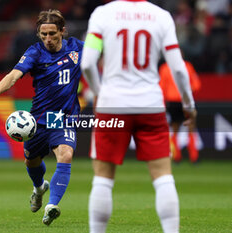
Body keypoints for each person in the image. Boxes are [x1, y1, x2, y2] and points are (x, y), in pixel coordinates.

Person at [80, 1, 197, 233]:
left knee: (103, 178)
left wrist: (101, 94)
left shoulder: (102, 15)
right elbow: (179, 69)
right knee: (163, 176)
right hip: (150, 104)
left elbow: (87, 64)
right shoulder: (161, 16)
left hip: (111, 105)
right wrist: (188, 104)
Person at [0, 9, 83, 226]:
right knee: (31, 161)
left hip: (63, 117)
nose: (48, 38)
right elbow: (14, 75)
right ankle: (39, 189)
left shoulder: (77, 48)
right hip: (38, 119)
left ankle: (52, 206)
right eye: (43, 34)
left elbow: (101, 56)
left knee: (65, 154)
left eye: (52, 34)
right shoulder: (35, 52)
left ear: (62, 31)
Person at [159, 59, 201, 163]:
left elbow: (162, 87)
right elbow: (196, 84)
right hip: (185, 100)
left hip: (173, 101)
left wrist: (163, 104)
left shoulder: (165, 68)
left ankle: (176, 157)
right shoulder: (187, 66)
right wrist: (188, 90)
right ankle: (194, 158)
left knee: (175, 129)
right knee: (191, 127)